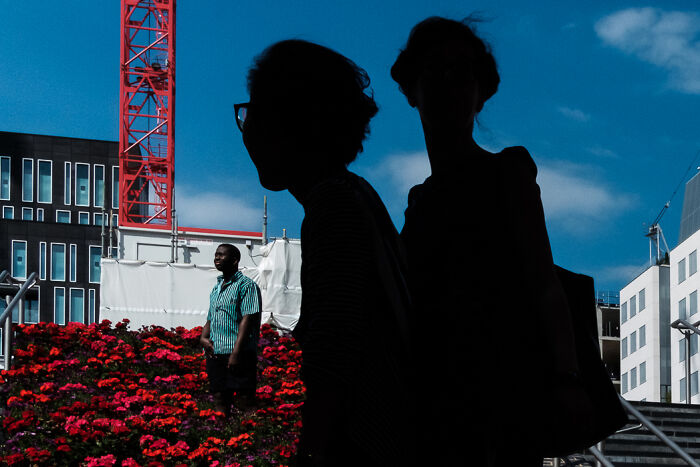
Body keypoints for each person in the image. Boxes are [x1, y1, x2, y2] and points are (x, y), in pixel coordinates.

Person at [391, 17, 579, 466]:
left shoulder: (507, 173)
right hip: (437, 408)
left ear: (480, 93)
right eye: (435, 71)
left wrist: (566, 380)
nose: (448, 86)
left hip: (500, 402)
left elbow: (543, 282)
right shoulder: (421, 203)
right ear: (414, 89)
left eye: (460, 73)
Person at [236, 39, 413, 466]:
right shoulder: (355, 197)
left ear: (294, 123)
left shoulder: (333, 207)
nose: (247, 130)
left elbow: (336, 349)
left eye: (254, 114)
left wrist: (312, 449)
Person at [200, 244, 262, 417]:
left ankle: (251, 437)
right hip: (215, 352)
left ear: (234, 260)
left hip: (239, 353)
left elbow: (248, 319)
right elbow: (211, 317)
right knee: (219, 397)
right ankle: (223, 438)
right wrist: (203, 338)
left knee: (244, 399)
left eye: (221, 255)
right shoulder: (216, 288)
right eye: (215, 255)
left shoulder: (246, 286)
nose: (217, 258)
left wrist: (235, 353)